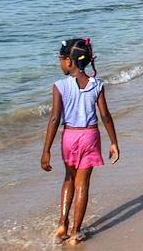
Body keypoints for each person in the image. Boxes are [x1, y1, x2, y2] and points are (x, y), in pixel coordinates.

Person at [41, 38, 120, 244]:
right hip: (91, 136)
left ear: (69, 61)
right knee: (82, 184)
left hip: (70, 136)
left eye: (61, 59)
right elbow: (105, 116)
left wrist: (46, 150)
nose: (60, 64)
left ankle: (62, 224)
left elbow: (55, 118)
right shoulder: (97, 84)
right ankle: (76, 231)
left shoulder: (60, 86)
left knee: (68, 178)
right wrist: (114, 142)